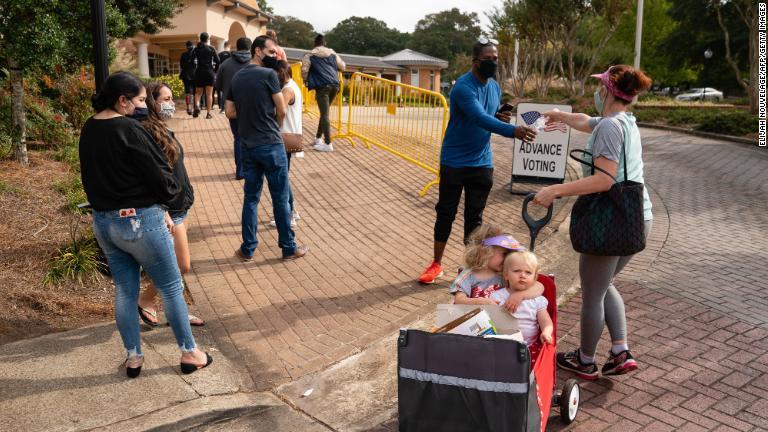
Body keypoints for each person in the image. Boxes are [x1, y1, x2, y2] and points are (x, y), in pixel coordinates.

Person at [79, 71, 212, 378]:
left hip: (105, 223)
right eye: (139, 100)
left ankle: (133, 357)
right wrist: (167, 200)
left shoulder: (89, 128)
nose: (143, 106)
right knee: (171, 286)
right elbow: (163, 180)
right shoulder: (128, 129)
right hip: (141, 221)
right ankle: (190, 352)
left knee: (125, 291)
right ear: (122, 100)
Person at [532, 64, 653, 380]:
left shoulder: (610, 128)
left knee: (593, 293)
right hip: (638, 218)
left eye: (599, 87)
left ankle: (585, 360)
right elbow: (585, 121)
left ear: (606, 91)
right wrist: (560, 116)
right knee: (605, 284)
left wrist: (554, 191)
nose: (595, 92)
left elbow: (604, 180)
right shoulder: (622, 121)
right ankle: (619, 351)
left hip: (612, 220)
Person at [417, 38, 537, 286]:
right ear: (475, 62)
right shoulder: (463, 88)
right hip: (454, 160)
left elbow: (489, 115)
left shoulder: (493, 86)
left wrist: (500, 116)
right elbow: (479, 118)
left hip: (482, 161)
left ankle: (468, 269)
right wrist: (512, 130)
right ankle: (436, 264)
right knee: (446, 213)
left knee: (475, 218)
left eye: (495, 59)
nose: (493, 63)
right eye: (488, 59)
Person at [226, 36, 309, 261]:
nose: (275, 57)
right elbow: (281, 110)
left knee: (251, 198)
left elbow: (229, 112)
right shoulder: (270, 75)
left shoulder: (237, 77)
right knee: (280, 198)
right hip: (271, 145)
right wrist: (274, 124)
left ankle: (247, 248)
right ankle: (288, 247)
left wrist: (251, 115)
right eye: (271, 53)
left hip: (248, 145)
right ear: (258, 51)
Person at [135, 81, 204, 327]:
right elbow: (151, 176)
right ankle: (146, 298)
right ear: (152, 102)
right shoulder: (147, 132)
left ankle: (177, 311)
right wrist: (163, 207)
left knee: (176, 265)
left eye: (171, 98)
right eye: (164, 99)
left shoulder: (161, 128)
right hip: (168, 210)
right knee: (181, 264)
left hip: (178, 206)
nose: (170, 104)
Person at [451, 226, 543, 309]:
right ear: (485, 252)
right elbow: (459, 300)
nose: (508, 258)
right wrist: (478, 302)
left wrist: (520, 295)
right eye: (505, 254)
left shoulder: (506, 274)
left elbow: (539, 287)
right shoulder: (469, 275)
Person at [491, 250, 553, 368]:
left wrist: (546, 332)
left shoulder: (537, 300)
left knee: (525, 368)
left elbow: (545, 320)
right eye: (516, 271)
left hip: (528, 346)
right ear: (506, 275)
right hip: (500, 344)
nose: (522, 275)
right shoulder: (497, 296)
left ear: (535, 278)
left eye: (528, 272)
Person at [268, 60, 302, 227]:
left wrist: (275, 126)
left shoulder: (287, 89)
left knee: (281, 178)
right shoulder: (292, 85)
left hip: (284, 136)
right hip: (290, 135)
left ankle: (288, 214)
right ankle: (292, 211)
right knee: (283, 177)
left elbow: (282, 112)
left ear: (281, 72)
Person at [215, 37, 252, 180]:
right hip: (252, 105)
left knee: (238, 138)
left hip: (232, 105)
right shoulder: (255, 62)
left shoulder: (226, 63)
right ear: (250, 48)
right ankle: (253, 168)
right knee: (253, 136)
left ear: (236, 47)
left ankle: (240, 170)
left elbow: (217, 86)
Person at [301, 34, 345, 152]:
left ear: (315, 44)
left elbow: (304, 71)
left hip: (322, 87)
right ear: (324, 43)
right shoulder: (332, 53)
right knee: (324, 113)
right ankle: (318, 137)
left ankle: (328, 143)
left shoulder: (309, 54)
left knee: (324, 114)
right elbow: (343, 66)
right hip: (335, 85)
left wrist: (306, 80)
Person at [192, 32, 220, 119]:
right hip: (209, 72)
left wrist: (195, 70)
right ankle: (208, 114)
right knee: (209, 94)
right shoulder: (211, 48)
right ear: (208, 39)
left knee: (198, 93)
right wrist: (214, 71)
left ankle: (197, 106)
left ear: (200, 39)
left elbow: (191, 61)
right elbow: (218, 61)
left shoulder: (196, 49)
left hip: (199, 72)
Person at [179, 41, 197, 116]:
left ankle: (188, 107)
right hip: (194, 75)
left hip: (185, 75)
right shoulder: (195, 54)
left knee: (187, 92)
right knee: (194, 93)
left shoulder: (183, 55)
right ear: (192, 46)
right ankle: (194, 108)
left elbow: (182, 66)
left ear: (186, 47)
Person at [216, 40, 232, 113]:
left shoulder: (219, 54)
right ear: (229, 46)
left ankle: (222, 108)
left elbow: (217, 64)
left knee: (223, 91)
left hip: (222, 73)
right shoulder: (231, 54)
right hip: (229, 73)